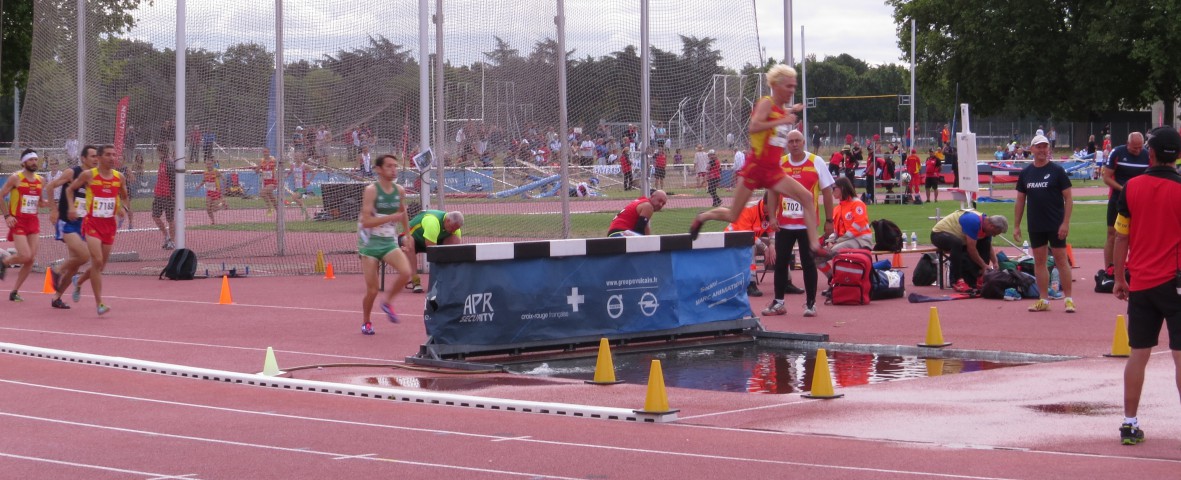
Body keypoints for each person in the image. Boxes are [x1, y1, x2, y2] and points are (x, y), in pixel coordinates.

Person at [688, 65, 822, 264]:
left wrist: (792, 110)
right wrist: (784, 119)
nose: (792, 90)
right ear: (776, 86)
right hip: (755, 168)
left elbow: (778, 114)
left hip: (773, 171)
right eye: (789, 86)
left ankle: (814, 248)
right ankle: (703, 216)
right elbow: (754, 126)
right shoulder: (766, 103)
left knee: (806, 197)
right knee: (734, 215)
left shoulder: (779, 109)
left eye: (794, 87)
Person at [1111, 126, 1181, 447]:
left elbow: (1121, 234)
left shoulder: (1131, 188)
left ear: (1149, 153)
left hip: (1141, 281)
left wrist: (1120, 277)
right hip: (1176, 282)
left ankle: (1129, 423)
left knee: (1138, 354)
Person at [762, 129, 834, 317]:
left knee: (809, 264)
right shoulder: (781, 163)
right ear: (787, 144)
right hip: (784, 225)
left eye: (797, 141)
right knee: (780, 264)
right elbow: (772, 191)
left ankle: (811, 304)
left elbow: (827, 192)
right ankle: (779, 303)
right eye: (791, 141)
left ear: (803, 142)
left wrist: (829, 219)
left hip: (807, 226)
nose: (794, 144)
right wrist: (772, 217)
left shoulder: (816, 162)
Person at [1013, 135, 1075, 313]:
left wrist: (1065, 223)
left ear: (1048, 149)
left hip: (1056, 223)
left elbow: (1069, 198)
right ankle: (1043, 299)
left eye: (1044, 147)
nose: (1041, 150)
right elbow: (1020, 201)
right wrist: (1016, 225)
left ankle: (1069, 299)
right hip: (1036, 224)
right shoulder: (1026, 173)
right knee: (1039, 261)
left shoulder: (1057, 171)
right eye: (1038, 147)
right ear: (1031, 149)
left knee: (1061, 260)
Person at [65, 145, 129, 316]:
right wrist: (71, 207)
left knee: (99, 266)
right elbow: (69, 189)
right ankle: (99, 303)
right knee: (97, 260)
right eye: (108, 155)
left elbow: (122, 194)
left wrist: (122, 207)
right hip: (92, 223)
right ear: (99, 158)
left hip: (109, 225)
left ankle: (78, 281)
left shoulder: (119, 177)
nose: (111, 158)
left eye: (114, 155)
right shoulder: (88, 175)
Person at [357, 154, 412, 334]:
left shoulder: (400, 190)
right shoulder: (372, 190)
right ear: (379, 169)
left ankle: (387, 303)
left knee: (406, 272)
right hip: (370, 244)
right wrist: (390, 218)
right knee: (372, 290)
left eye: (395, 166)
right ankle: (366, 322)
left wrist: (408, 235)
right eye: (389, 166)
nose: (393, 169)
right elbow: (365, 221)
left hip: (388, 242)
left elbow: (402, 212)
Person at [43, 145, 99, 309]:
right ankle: (55, 270)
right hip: (66, 222)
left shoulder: (94, 177)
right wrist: (53, 210)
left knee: (74, 267)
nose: (96, 159)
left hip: (82, 223)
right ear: (83, 158)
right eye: (92, 156)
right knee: (84, 256)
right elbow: (49, 187)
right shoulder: (72, 172)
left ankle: (56, 297)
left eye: (97, 156)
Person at [0, 149, 48, 301]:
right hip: (18, 221)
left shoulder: (41, 180)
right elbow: (1, 195)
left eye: (35, 159)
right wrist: (7, 215)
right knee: (25, 255)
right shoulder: (16, 178)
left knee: (31, 259)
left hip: (33, 221)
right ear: (24, 162)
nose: (34, 162)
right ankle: (4, 261)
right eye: (31, 160)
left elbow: (39, 202)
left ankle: (14, 291)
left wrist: (51, 204)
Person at [930, 209, 1008, 293]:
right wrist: (984, 265)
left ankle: (980, 276)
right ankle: (957, 280)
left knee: (985, 241)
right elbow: (971, 249)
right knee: (957, 243)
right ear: (992, 226)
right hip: (938, 234)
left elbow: (988, 246)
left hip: (958, 238)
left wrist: (995, 262)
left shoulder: (986, 226)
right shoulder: (973, 221)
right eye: (995, 233)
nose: (995, 235)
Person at [1102, 132, 1149, 270]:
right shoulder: (1117, 152)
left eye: (1140, 147)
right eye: (1135, 147)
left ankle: (1135, 267)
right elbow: (1107, 177)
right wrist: (1124, 189)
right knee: (1112, 234)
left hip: (1138, 200)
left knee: (1137, 234)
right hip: (1118, 198)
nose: (1138, 150)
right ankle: (1109, 270)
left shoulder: (1146, 155)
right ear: (1128, 144)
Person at [816, 177, 874, 285]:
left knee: (836, 250)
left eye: (834, 189)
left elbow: (857, 228)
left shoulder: (857, 204)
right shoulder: (838, 208)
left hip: (860, 241)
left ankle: (838, 283)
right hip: (845, 240)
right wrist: (830, 240)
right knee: (815, 257)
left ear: (842, 188)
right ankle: (833, 281)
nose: (832, 192)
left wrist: (837, 242)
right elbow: (836, 230)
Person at [402, 209, 464, 293]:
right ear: (448, 220)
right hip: (414, 238)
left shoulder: (456, 229)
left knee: (453, 240)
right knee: (407, 241)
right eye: (453, 227)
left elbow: (453, 252)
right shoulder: (433, 222)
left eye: (456, 229)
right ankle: (415, 281)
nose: (454, 230)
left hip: (433, 239)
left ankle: (446, 279)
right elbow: (432, 251)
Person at [724, 193, 772, 297]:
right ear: (766, 203)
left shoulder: (771, 211)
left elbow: (772, 231)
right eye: (774, 205)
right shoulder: (748, 209)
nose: (776, 208)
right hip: (732, 240)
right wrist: (765, 247)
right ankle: (751, 283)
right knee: (751, 246)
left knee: (781, 244)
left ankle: (786, 282)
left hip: (752, 239)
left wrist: (772, 245)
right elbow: (746, 235)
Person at [151, 143, 176, 250]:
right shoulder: (162, 163)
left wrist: (173, 195)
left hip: (168, 196)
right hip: (159, 195)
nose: (157, 154)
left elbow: (173, 180)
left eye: (158, 151)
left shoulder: (170, 164)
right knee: (155, 216)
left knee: (170, 219)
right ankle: (166, 236)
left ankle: (172, 241)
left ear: (161, 152)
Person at [203, 158, 228, 224]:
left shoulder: (216, 171)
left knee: (214, 209)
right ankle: (213, 221)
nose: (208, 165)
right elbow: (204, 180)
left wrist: (224, 189)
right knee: (208, 208)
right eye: (207, 164)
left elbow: (224, 179)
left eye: (210, 164)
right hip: (209, 192)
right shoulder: (205, 172)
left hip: (216, 191)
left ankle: (222, 203)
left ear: (213, 164)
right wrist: (199, 186)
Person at [256, 148, 279, 215]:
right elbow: (257, 171)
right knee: (272, 198)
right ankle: (279, 211)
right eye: (264, 152)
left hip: (273, 181)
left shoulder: (273, 160)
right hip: (266, 182)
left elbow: (278, 168)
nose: (265, 153)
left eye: (266, 152)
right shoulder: (261, 161)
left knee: (262, 193)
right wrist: (259, 165)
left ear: (269, 152)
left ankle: (269, 208)